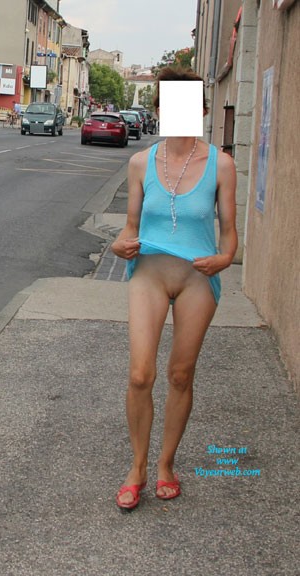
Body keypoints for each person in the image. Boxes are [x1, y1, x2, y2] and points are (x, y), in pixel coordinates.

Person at [110, 67, 237, 511]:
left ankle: (166, 465)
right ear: (161, 109)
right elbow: (129, 229)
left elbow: (230, 236)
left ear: (201, 110)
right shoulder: (140, 163)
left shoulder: (221, 164)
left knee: (181, 374)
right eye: (169, 103)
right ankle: (137, 468)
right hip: (148, 274)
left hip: (197, 280)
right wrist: (120, 245)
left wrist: (223, 259)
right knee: (139, 374)